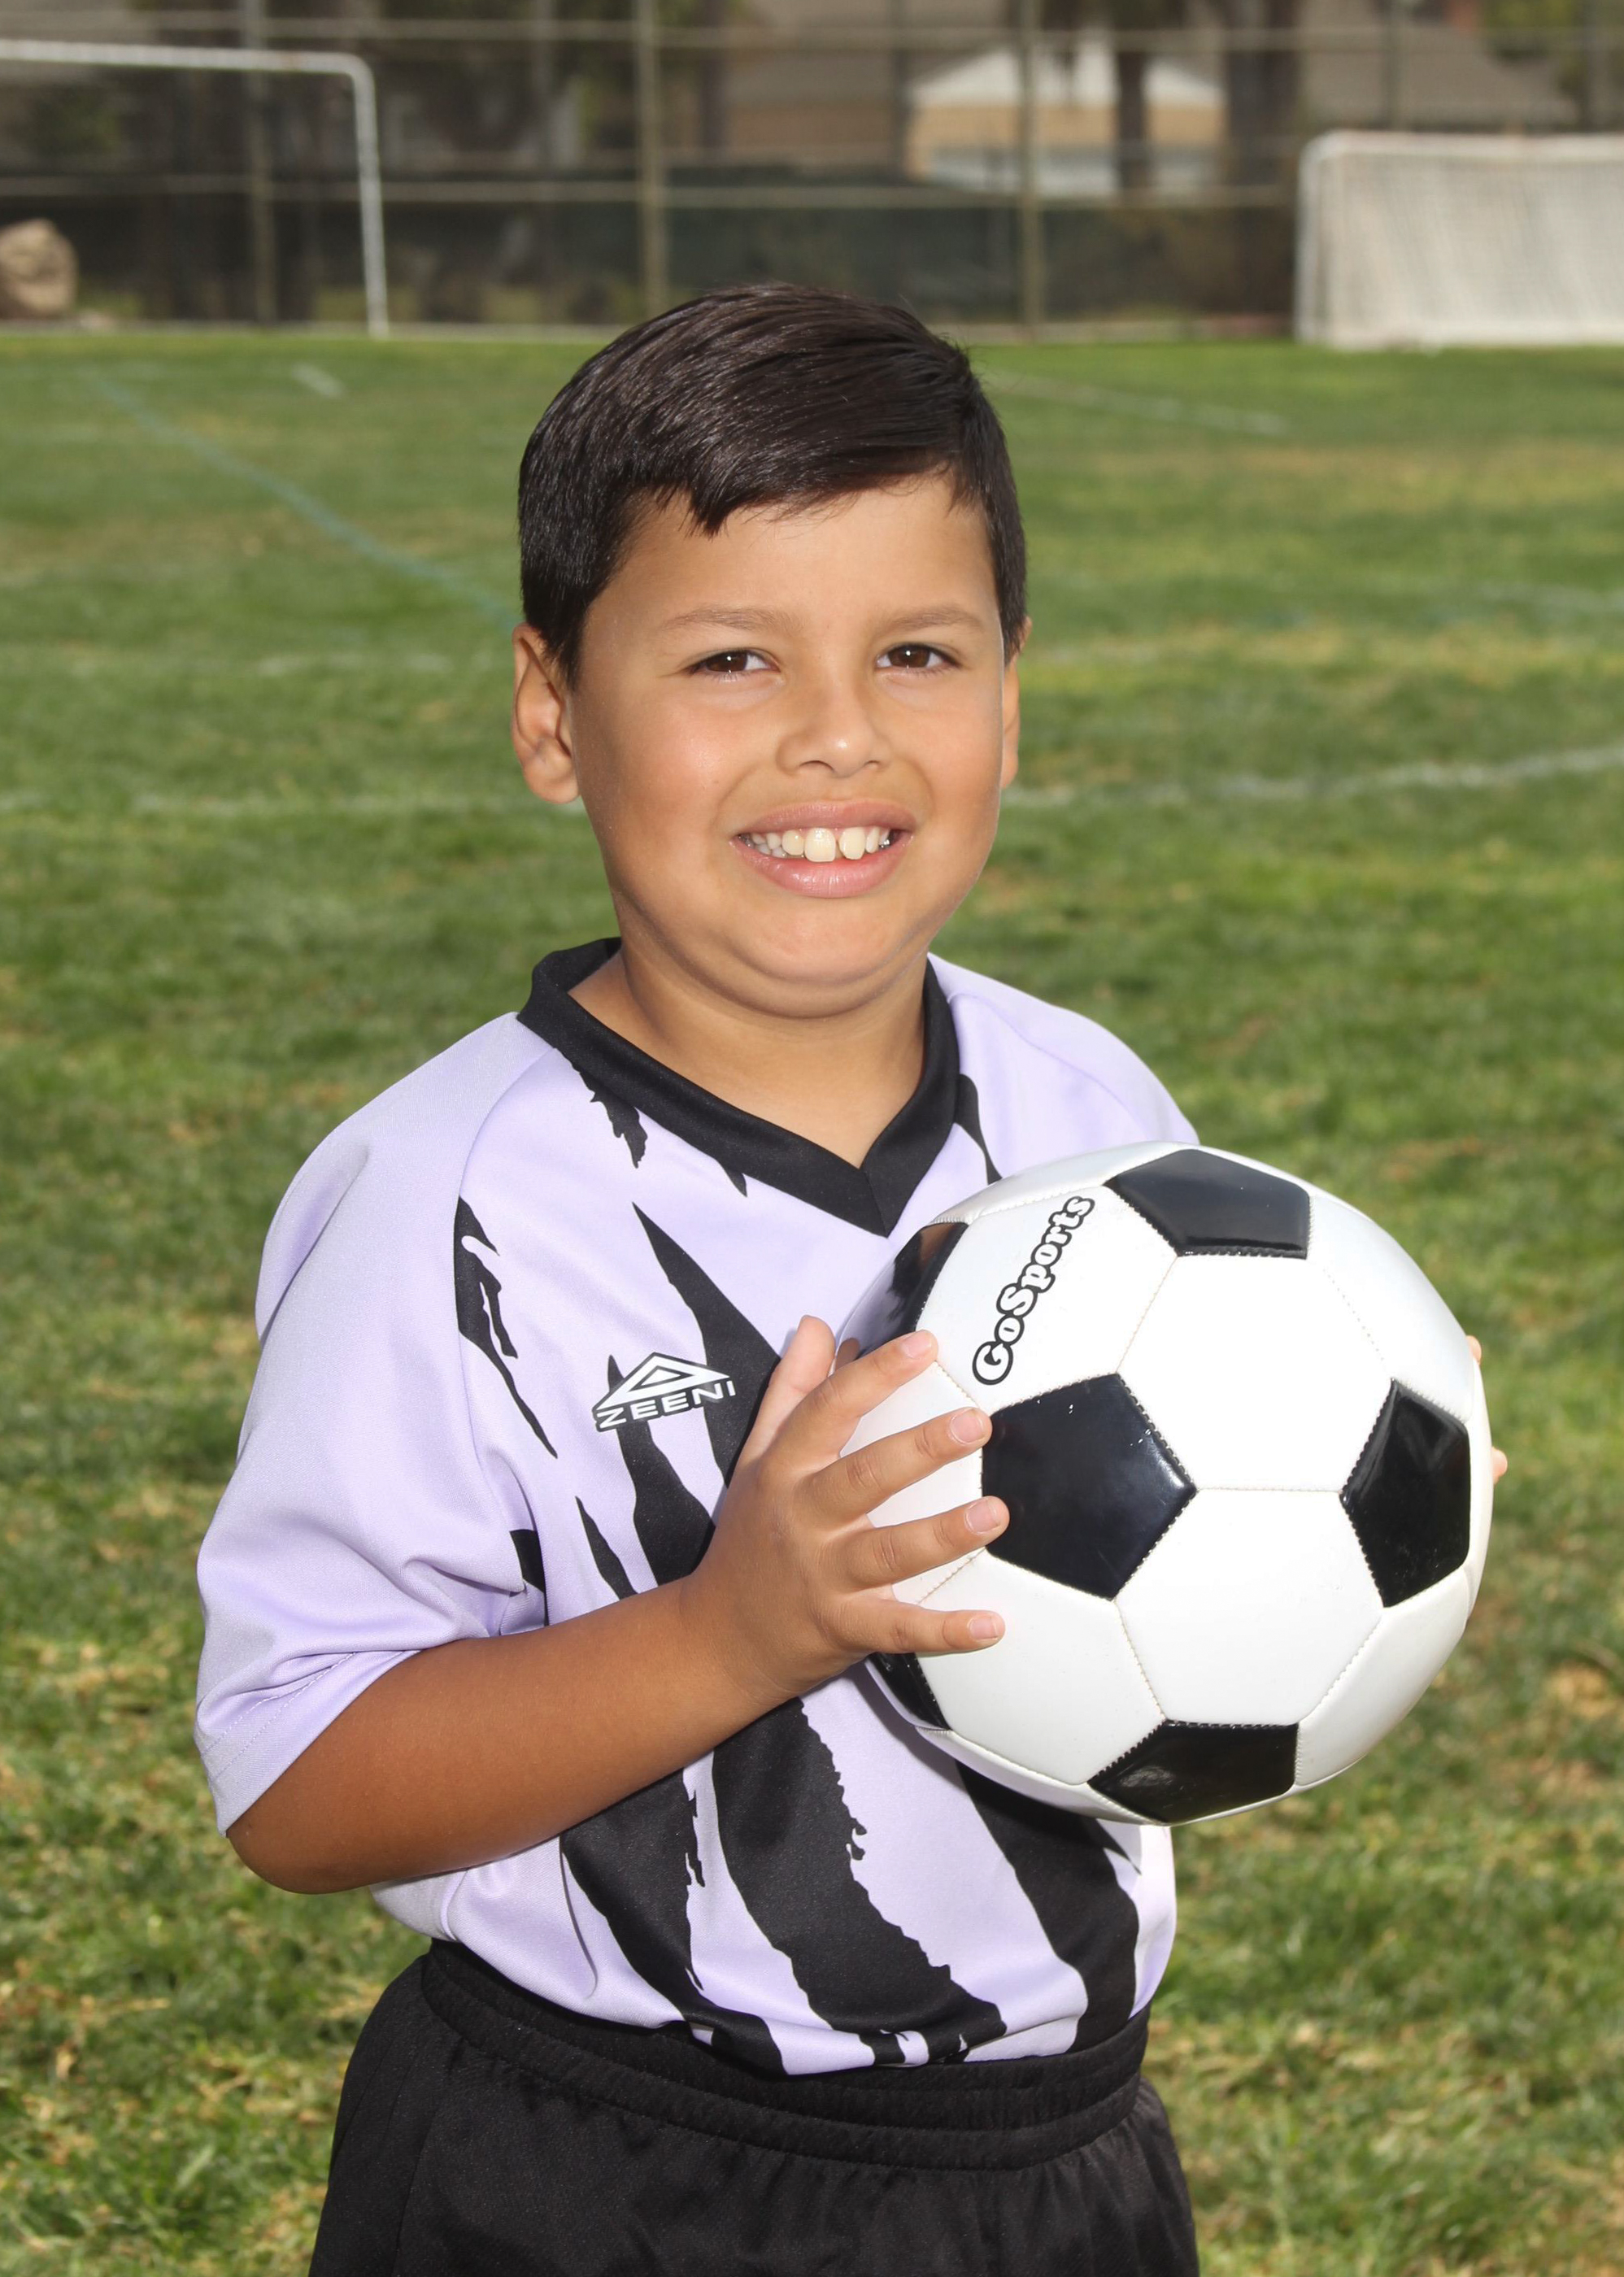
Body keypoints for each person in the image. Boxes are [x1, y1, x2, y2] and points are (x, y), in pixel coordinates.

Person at [195, 285, 1209, 2275]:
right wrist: (731, 1632)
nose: (837, 731)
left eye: (916, 651)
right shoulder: (444, 1200)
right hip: (599, 2172)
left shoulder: (1093, 1114)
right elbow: (300, 1785)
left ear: (1012, 698)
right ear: (551, 714)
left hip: (1056, 2158)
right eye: (732, 657)